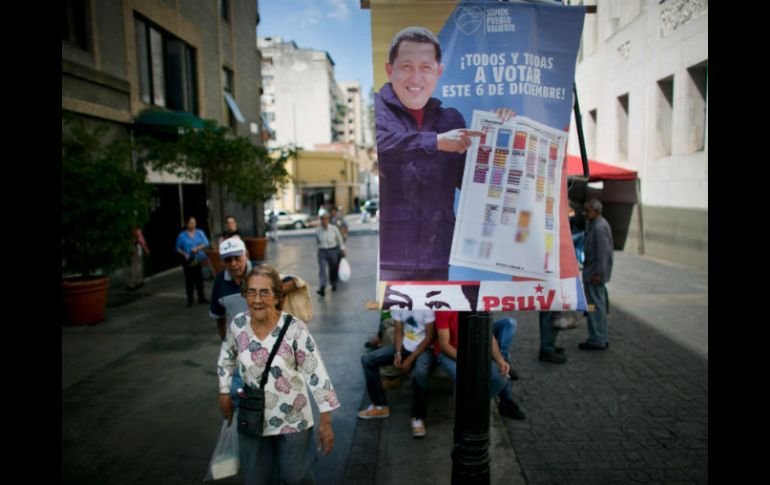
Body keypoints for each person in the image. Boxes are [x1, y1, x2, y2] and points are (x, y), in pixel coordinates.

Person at [376, 26, 513, 281]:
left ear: (438, 72)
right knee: (399, 318)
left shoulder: (451, 120)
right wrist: (436, 142)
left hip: (439, 250)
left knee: (438, 320)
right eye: (406, 66)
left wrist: (498, 135)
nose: (416, 78)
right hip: (391, 254)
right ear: (389, 70)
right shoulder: (376, 111)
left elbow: (471, 183)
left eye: (426, 68)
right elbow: (381, 146)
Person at [217, 265, 339, 484]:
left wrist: (326, 421)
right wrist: (224, 392)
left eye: (264, 292)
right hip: (252, 415)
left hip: (294, 418)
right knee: (255, 478)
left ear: (277, 296)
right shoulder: (238, 325)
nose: (257, 299)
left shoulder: (295, 329)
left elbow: (316, 373)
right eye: (251, 292)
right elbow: (227, 357)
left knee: (296, 478)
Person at [358, 309, 436, 438]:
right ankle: (379, 406)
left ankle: (418, 417)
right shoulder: (399, 302)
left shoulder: (425, 304)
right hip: (405, 346)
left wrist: (410, 360)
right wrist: (398, 353)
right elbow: (399, 330)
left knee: (421, 373)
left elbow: (429, 337)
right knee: (367, 360)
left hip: (424, 349)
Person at [434, 312, 525, 420]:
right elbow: (444, 345)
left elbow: (489, 336)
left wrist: (500, 359)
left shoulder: (478, 303)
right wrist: (470, 361)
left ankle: (475, 407)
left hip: (471, 350)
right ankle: (463, 418)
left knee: (500, 378)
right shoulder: (446, 307)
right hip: (448, 353)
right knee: (462, 376)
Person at [578, 199, 614, 350]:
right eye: (584, 210)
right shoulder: (594, 225)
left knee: (595, 307)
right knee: (594, 307)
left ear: (596, 211)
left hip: (594, 276)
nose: (584, 213)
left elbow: (603, 254)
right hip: (591, 274)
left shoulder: (599, 227)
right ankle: (598, 336)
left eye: (588, 210)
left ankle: (597, 338)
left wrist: (598, 273)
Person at [175, 216, 210, 307]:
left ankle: (201, 297)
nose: (193, 224)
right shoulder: (182, 235)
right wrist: (184, 254)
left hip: (199, 258)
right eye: (191, 222)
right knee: (189, 280)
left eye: (194, 222)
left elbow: (206, 243)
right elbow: (178, 248)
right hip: (188, 260)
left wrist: (198, 248)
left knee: (199, 279)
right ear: (187, 224)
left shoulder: (200, 233)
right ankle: (190, 299)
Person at [315, 213, 346, 296]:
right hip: (322, 252)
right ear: (321, 221)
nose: (324, 221)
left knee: (333, 269)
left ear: (328, 220)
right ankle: (322, 287)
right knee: (322, 269)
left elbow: (339, 239)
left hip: (333, 251)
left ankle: (333, 283)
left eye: (326, 219)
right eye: (322, 219)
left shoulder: (334, 229)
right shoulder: (318, 231)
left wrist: (342, 249)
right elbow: (317, 241)